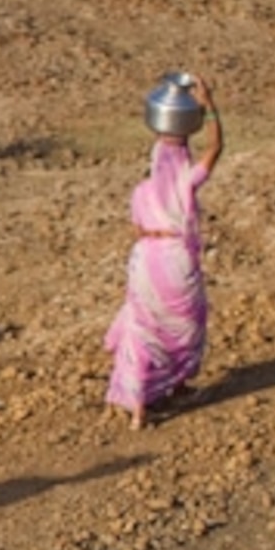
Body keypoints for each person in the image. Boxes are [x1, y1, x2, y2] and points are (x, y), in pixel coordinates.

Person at [102, 72, 224, 431]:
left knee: (143, 329)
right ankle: (178, 385)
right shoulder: (186, 181)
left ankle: (137, 405)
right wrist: (210, 107)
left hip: (144, 261)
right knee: (185, 327)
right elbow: (216, 149)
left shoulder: (142, 192)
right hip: (175, 261)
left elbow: (135, 228)